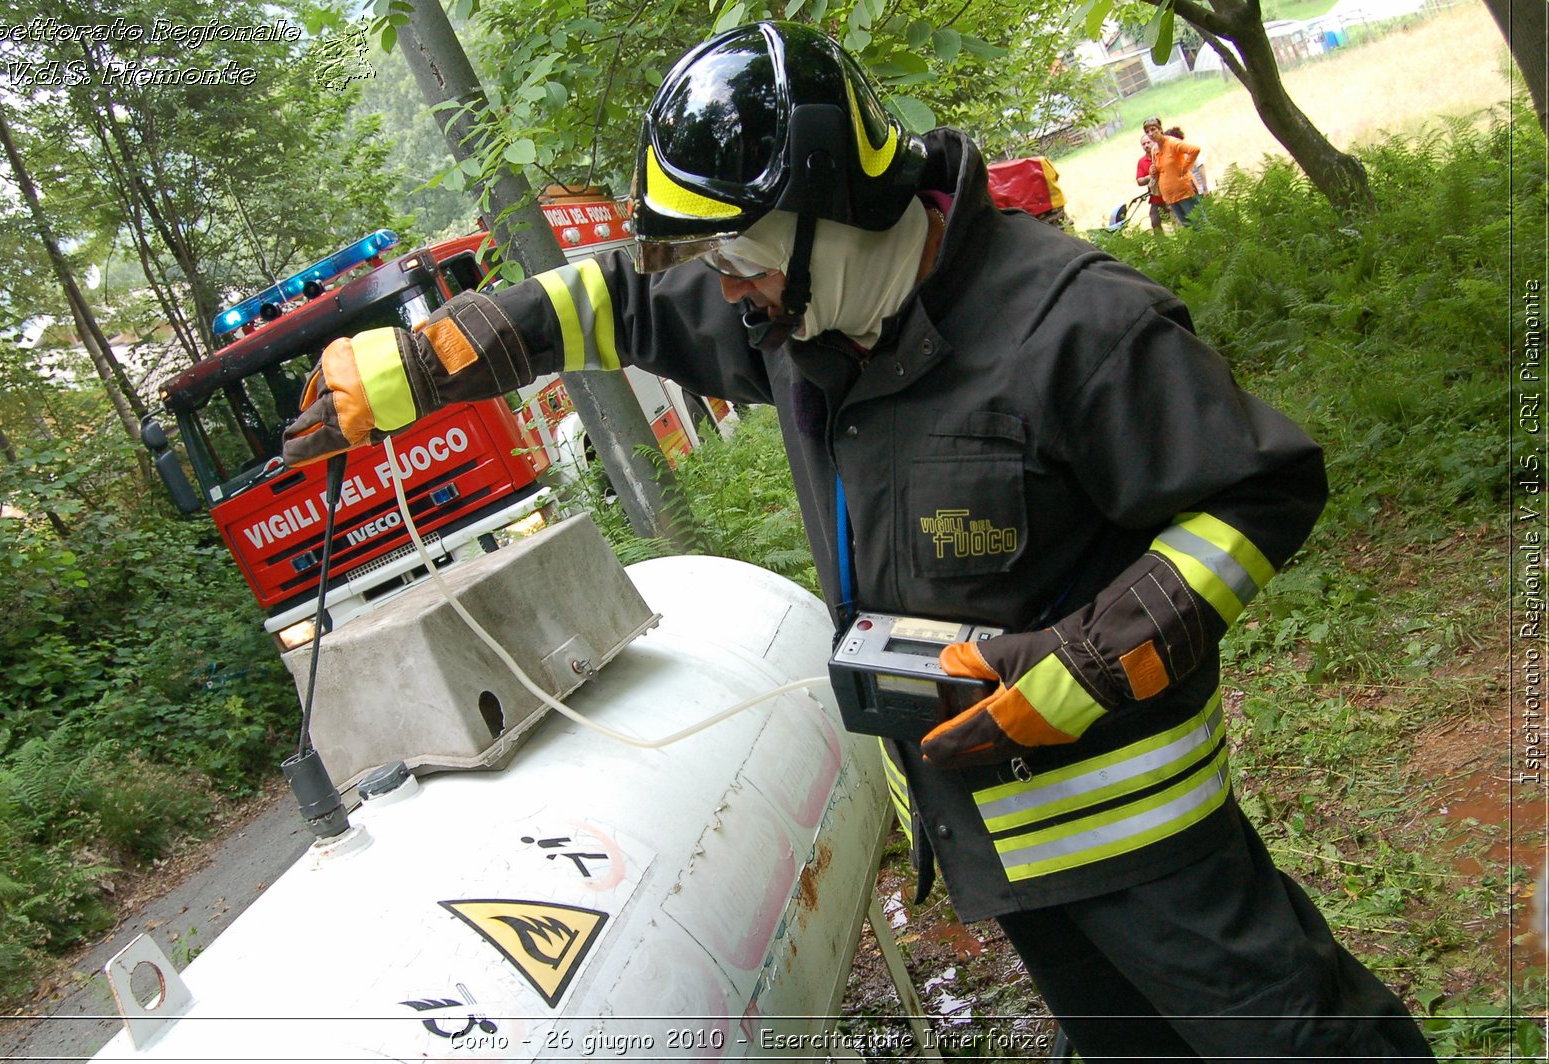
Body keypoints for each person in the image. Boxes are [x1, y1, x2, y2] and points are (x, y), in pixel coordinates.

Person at [282, 22, 1433, 1060]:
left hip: (1142, 836)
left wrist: (1093, 657)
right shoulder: (800, 321)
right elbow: (618, 306)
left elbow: (1258, 495)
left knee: (1304, 1040)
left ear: (835, 208)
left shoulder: (1076, 323)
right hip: (996, 838)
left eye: (739, 251)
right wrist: (440, 352)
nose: (726, 286)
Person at [1145, 115, 1204, 227]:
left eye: (1153, 130)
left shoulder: (1172, 143)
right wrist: (1153, 171)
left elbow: (1194, 150)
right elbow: (1160, 169)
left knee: (1198, 224)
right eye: (1147, 132)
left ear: (1160, 129)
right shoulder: (1154, 149)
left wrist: (1184, 168)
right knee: (1187, 227)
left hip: (1184, 192)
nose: (1151, 134)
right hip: (1170, 196)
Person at [1135, 132, 1171, 233]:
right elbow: (1139, 181)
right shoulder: (1142, 162)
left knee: (1177, 220)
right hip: (1156, 197)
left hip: (1171, 194)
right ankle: (1162, 246)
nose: (1146, 145)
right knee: (1155, 222)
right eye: (1143, 144)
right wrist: (1149, 177)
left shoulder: (1162, 155)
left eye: (1148, 142)